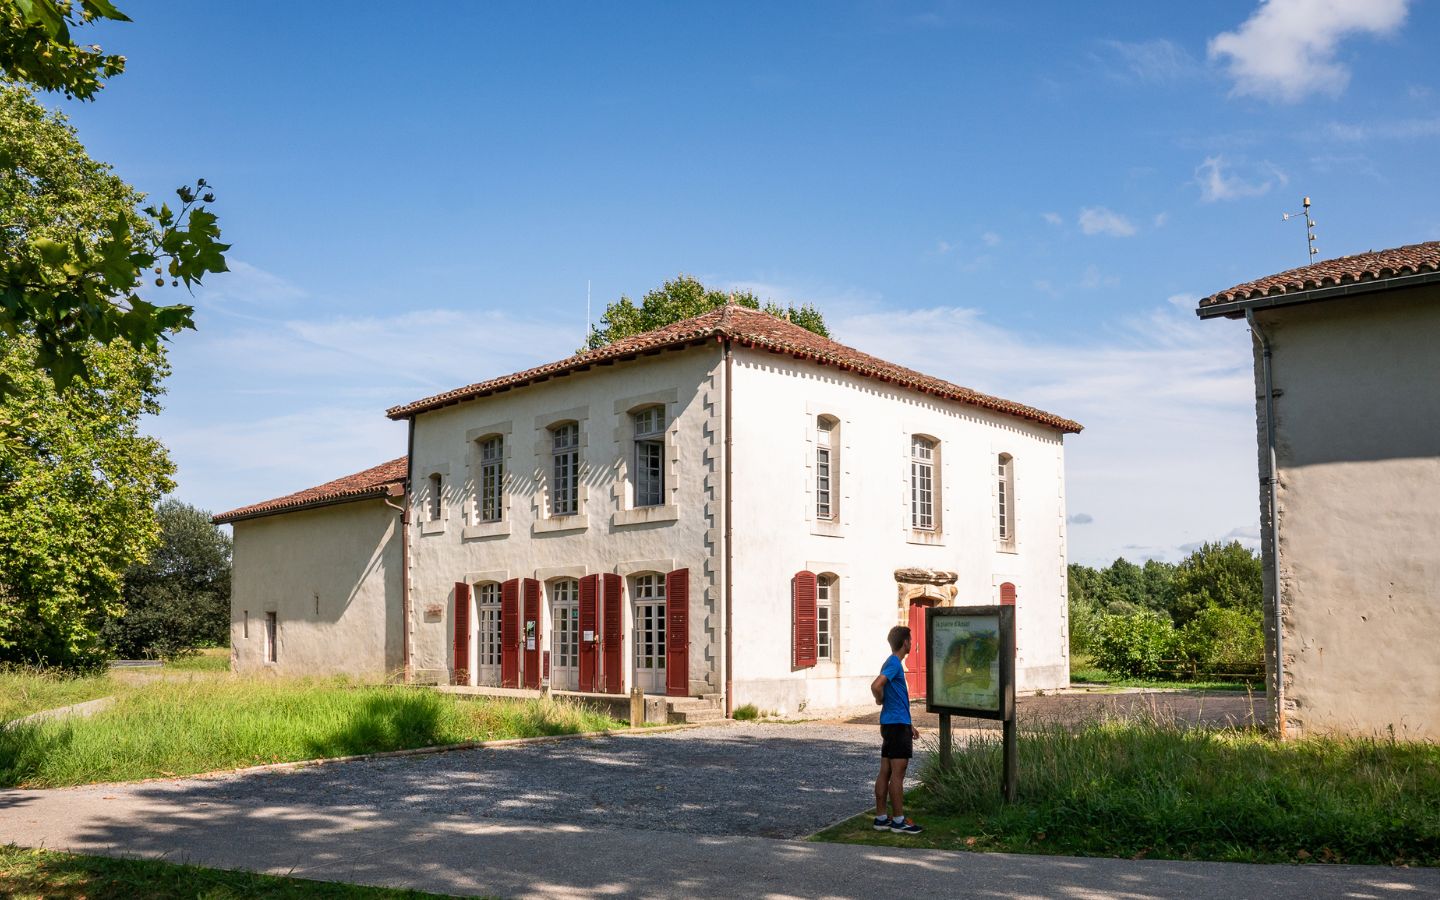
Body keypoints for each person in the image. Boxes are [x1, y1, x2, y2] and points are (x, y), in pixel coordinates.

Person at [870, 625, 922, 834]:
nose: (911, 643)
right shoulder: (894, 663)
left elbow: (896, 698)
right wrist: (879, 698)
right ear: (905, 643)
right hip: (896, 725)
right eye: (910, 640)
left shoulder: (891, 663)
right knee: (898, 774)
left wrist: (909, 725)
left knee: (886, 771)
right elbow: (876, 685)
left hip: (894, 724)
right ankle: (899, 821)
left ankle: (881, 818)